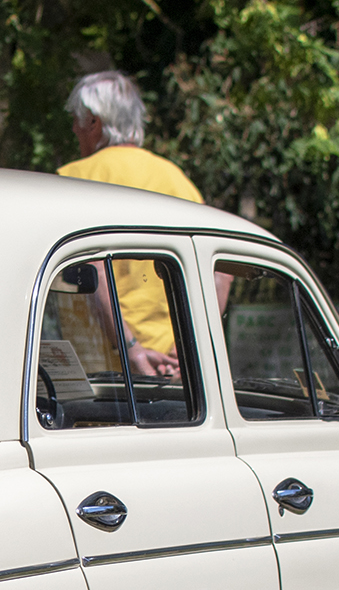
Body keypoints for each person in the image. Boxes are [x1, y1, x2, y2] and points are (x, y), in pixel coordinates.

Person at [55, 69, 224, 376]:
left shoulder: (73, 180)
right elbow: (220, 271)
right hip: (173, 368)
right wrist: (189, 346)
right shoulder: (179, 183)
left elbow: (93, 269)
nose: (73, 128)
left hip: (101, 375)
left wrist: (131, 349)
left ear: (93, 121)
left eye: (76, 120)